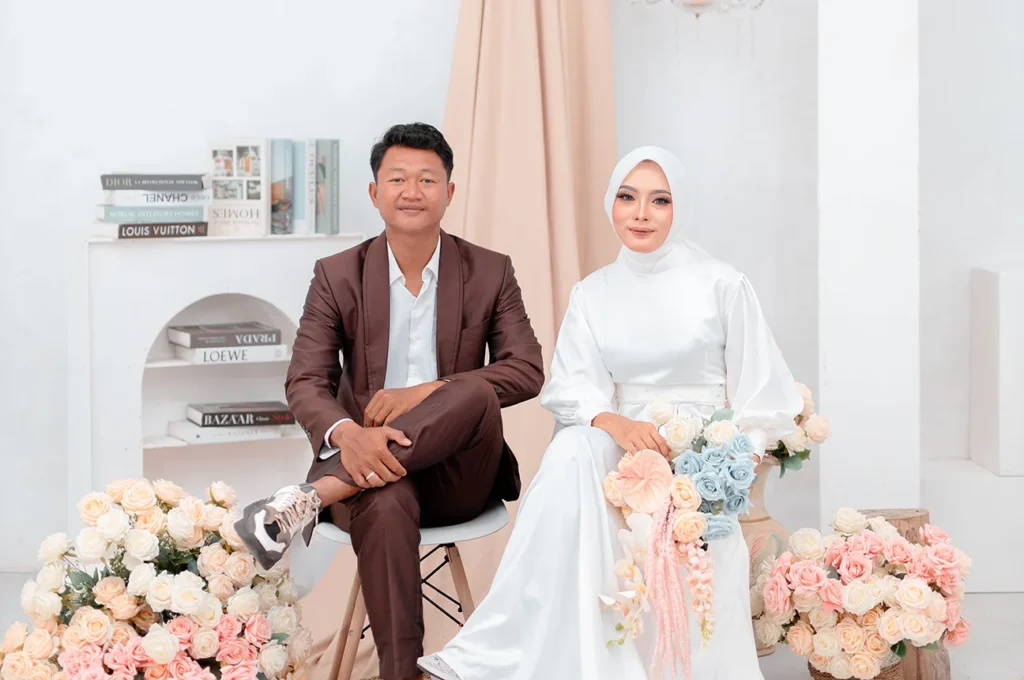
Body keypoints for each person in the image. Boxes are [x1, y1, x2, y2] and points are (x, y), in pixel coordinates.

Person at [416, 146, 803, 680]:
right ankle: (503, 650)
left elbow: (763, 393)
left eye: (659, 200)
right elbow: (572, 385)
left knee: (592, 459)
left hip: (701, 457)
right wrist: (614, 423)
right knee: (573, 446)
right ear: (611, 204)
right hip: (621, 453)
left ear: (680, 208)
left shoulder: (722, 284)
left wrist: (726, 466)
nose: (641, 213)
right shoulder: (593, 292)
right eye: (627, 197)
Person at [232, 122, 545, 680]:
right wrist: (350, 435)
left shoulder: (490, 270)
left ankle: (312, 496)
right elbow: (306, 380)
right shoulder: (337, 275)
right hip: (368, 469)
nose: (412, 191)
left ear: (450, 192)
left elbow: (526, 370)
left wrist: (426, 391)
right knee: (386, 502)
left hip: (458, 478)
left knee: (474, 389)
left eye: (427, 179)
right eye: (398, 179)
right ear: (375, 193)